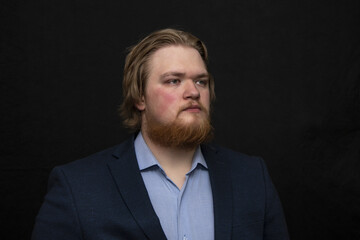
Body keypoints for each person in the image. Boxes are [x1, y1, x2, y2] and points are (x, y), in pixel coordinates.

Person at [32, 28, 289, 240]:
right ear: (139, 97)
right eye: (173, 81)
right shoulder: (78, 187)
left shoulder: (252, 178)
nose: (194, 92)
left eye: (201, 81)